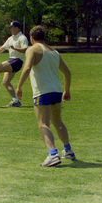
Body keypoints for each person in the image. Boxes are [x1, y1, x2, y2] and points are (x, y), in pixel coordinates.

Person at [16, 25, 75, 167]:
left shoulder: (32, 49)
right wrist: (66, 90)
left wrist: (19, 86)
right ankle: (68, 150)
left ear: (31, 38)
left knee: (43, 124)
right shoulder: (54, 52)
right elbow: (67, 72)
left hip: (42, 91)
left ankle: (53, 154)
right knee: (58, 122)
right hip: (56, 91)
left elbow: (27, 68)